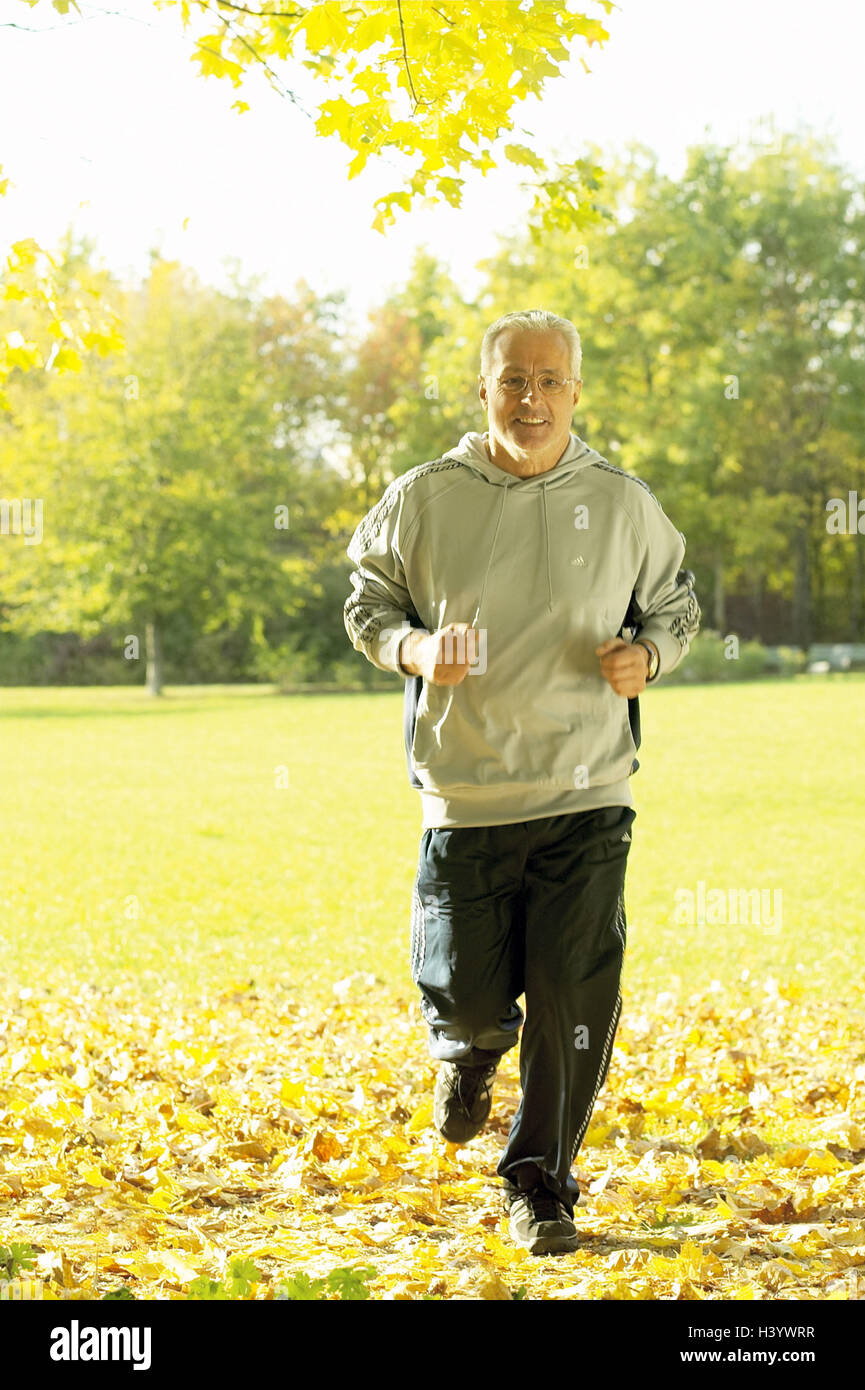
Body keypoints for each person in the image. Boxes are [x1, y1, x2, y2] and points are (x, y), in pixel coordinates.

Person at [343, 309, 700, 1255]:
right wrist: (415, 646)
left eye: (550, 381)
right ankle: (466, 1050)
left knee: (573, 993)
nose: (530, 399)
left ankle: (540, 1183)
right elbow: (367, 603)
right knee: (462, 990)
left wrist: (651, 657)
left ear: (575, 391)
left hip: (589, 792)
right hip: (466, 793)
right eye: (513, 380)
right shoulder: (425, 497)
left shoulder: (624, 502)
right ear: (484, 388)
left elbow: (674, 604)